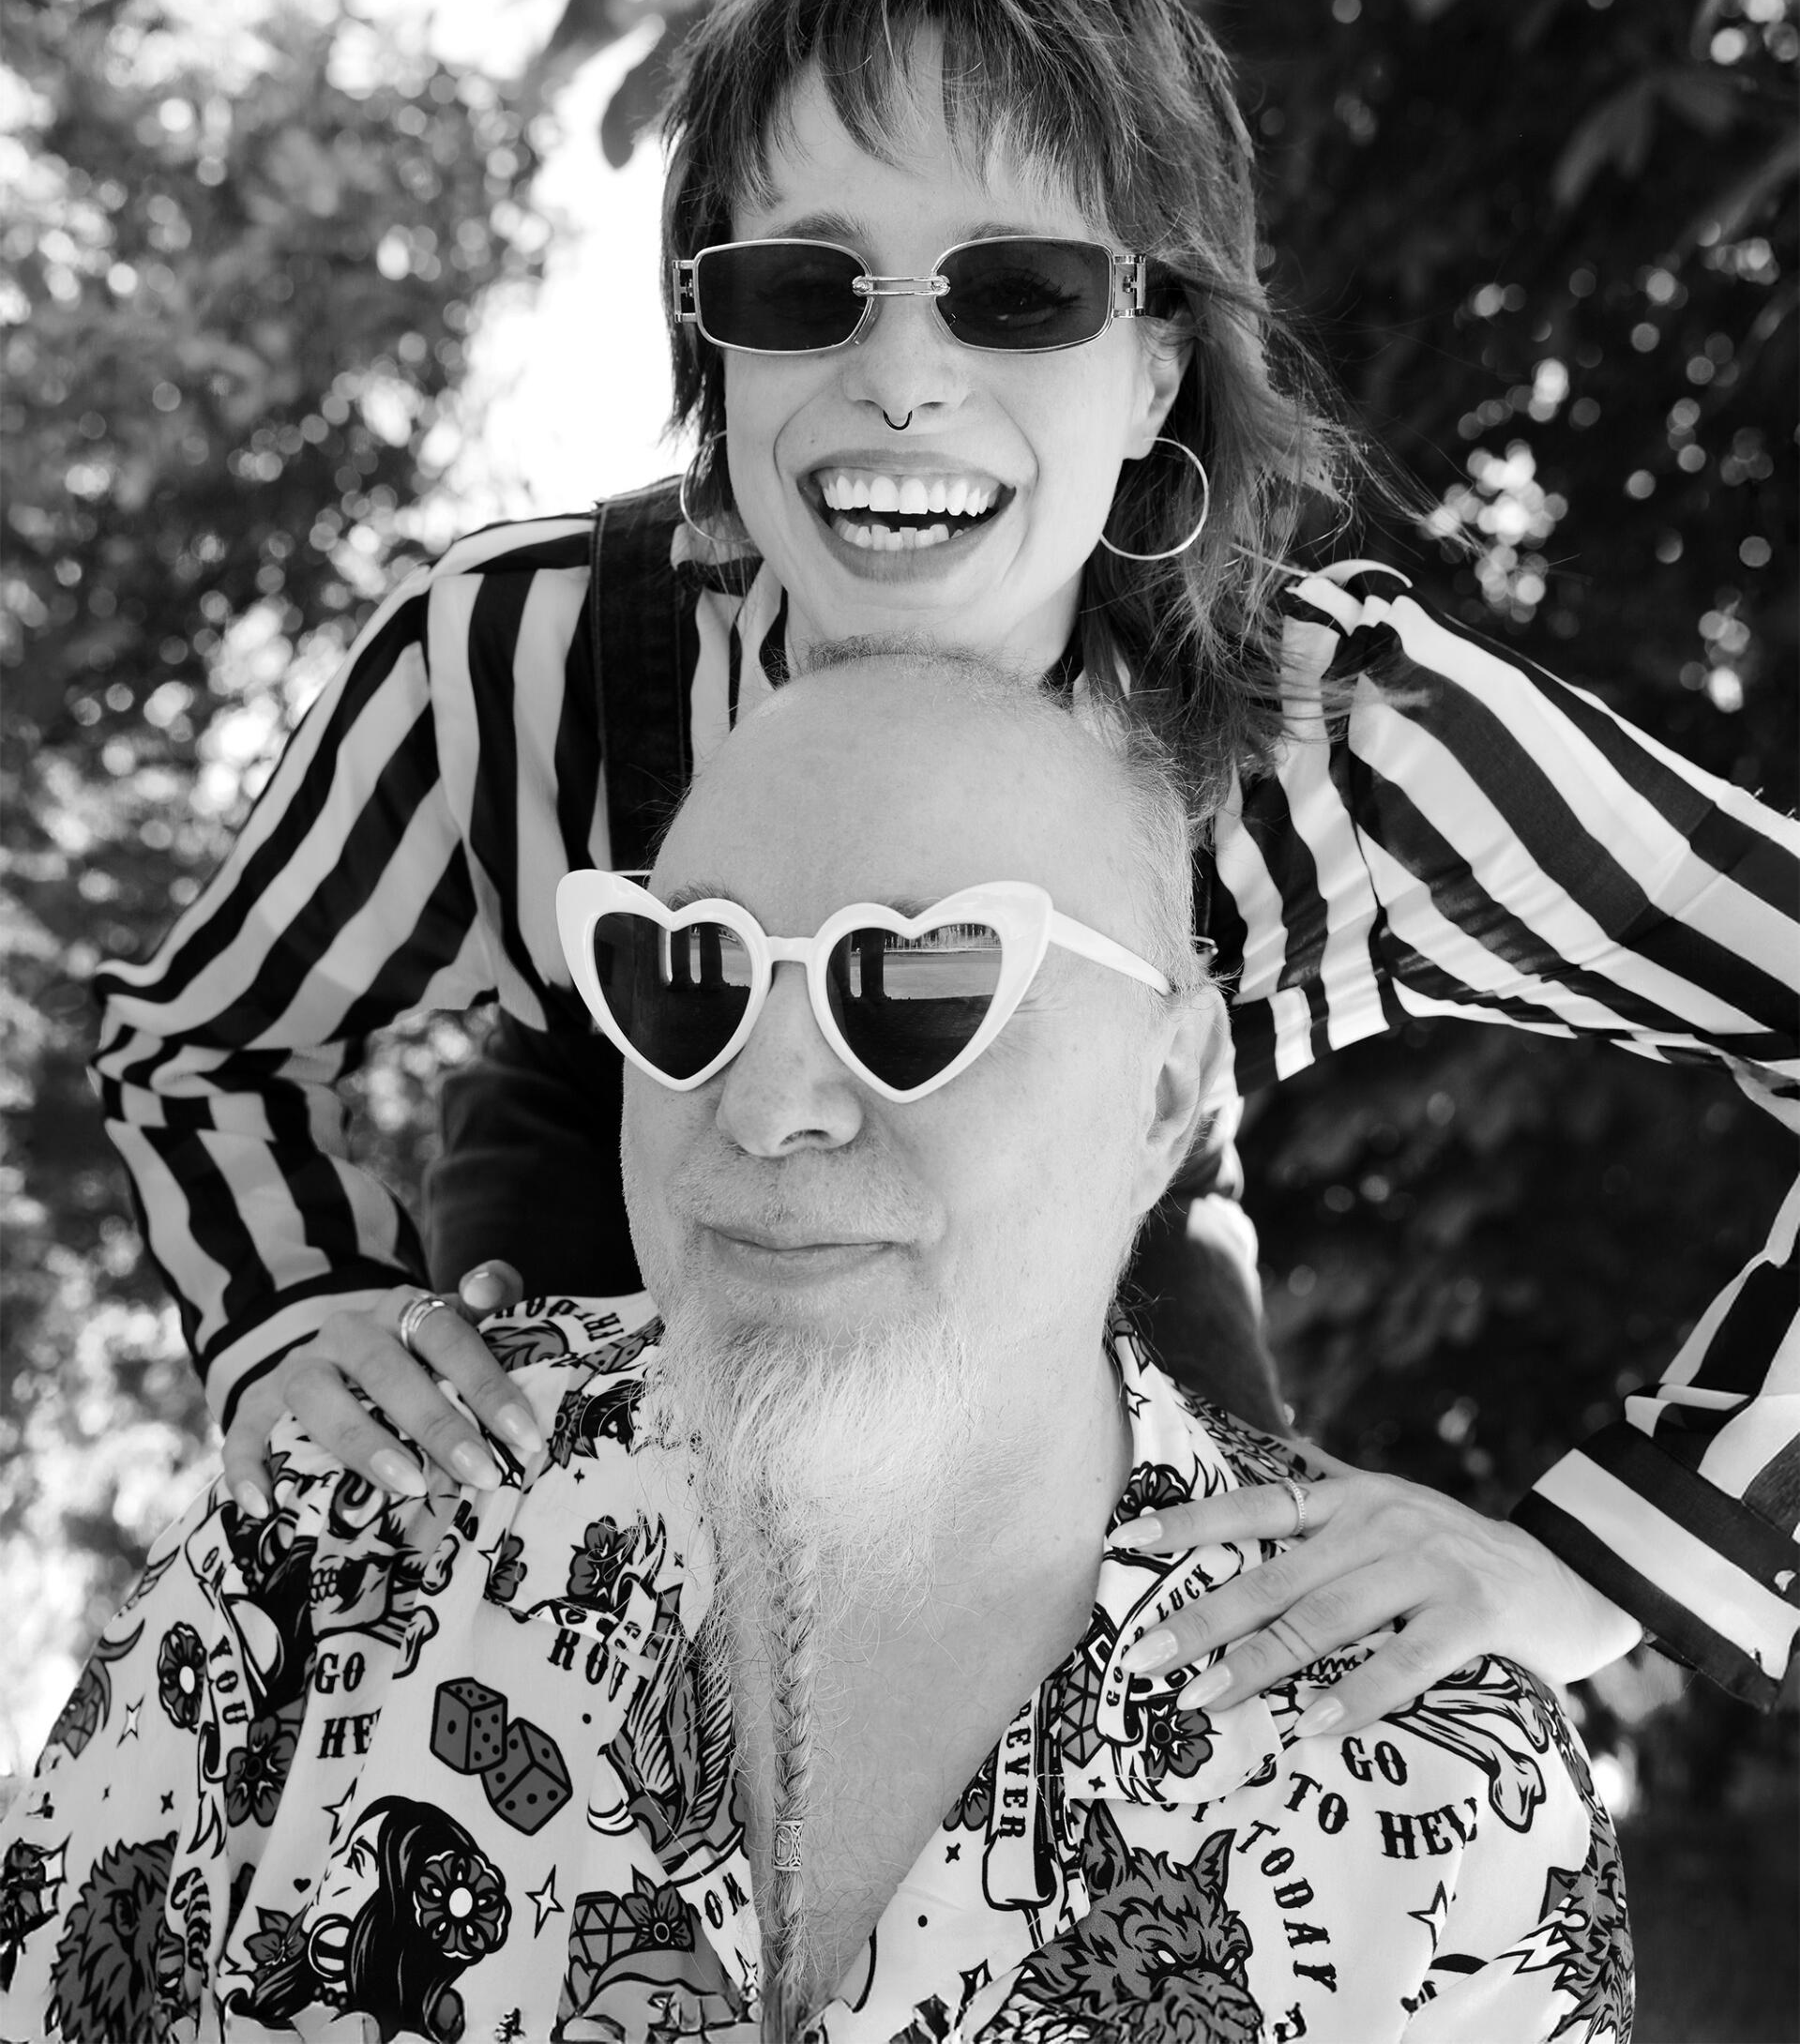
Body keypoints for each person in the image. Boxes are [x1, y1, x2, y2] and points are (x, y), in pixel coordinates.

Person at [88, 0, 1798, 1730]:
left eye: (1019, 293)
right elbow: (202, 1050)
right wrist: (291, 1308)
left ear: (1155, 364)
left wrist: (1609, 1558)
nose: (902, 384)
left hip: (1099, 1256)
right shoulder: (517, 664)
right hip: (599, 1211)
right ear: (718, 343)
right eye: (801, 290)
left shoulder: (1341, 746)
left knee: (1209, 1725)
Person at [2, 652, 1633, 2044]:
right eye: (689, 976)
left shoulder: (1448, 1813)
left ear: (1162, 1091)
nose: (770, 1105)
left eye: (925, 981)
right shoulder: (328, 1542)